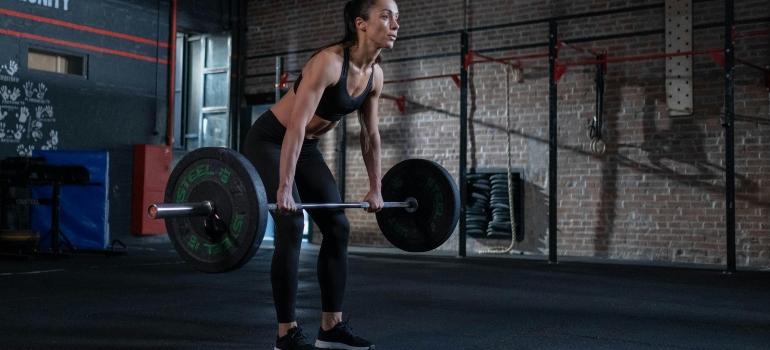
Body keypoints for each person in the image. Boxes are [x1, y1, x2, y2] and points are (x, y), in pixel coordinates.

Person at [242, 0, 399, 349]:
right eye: (386, 16)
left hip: (307, 148)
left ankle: (331, 328)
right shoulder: (328, 63)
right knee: (291, 223)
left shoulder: (375, 75)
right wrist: (285, 188)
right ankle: (286, 334)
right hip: (271, 140)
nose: (395, 25)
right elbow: (295, 127)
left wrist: (376, 187)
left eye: (397, 18)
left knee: (338, 227)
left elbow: (370, 135)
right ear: (360, 23)